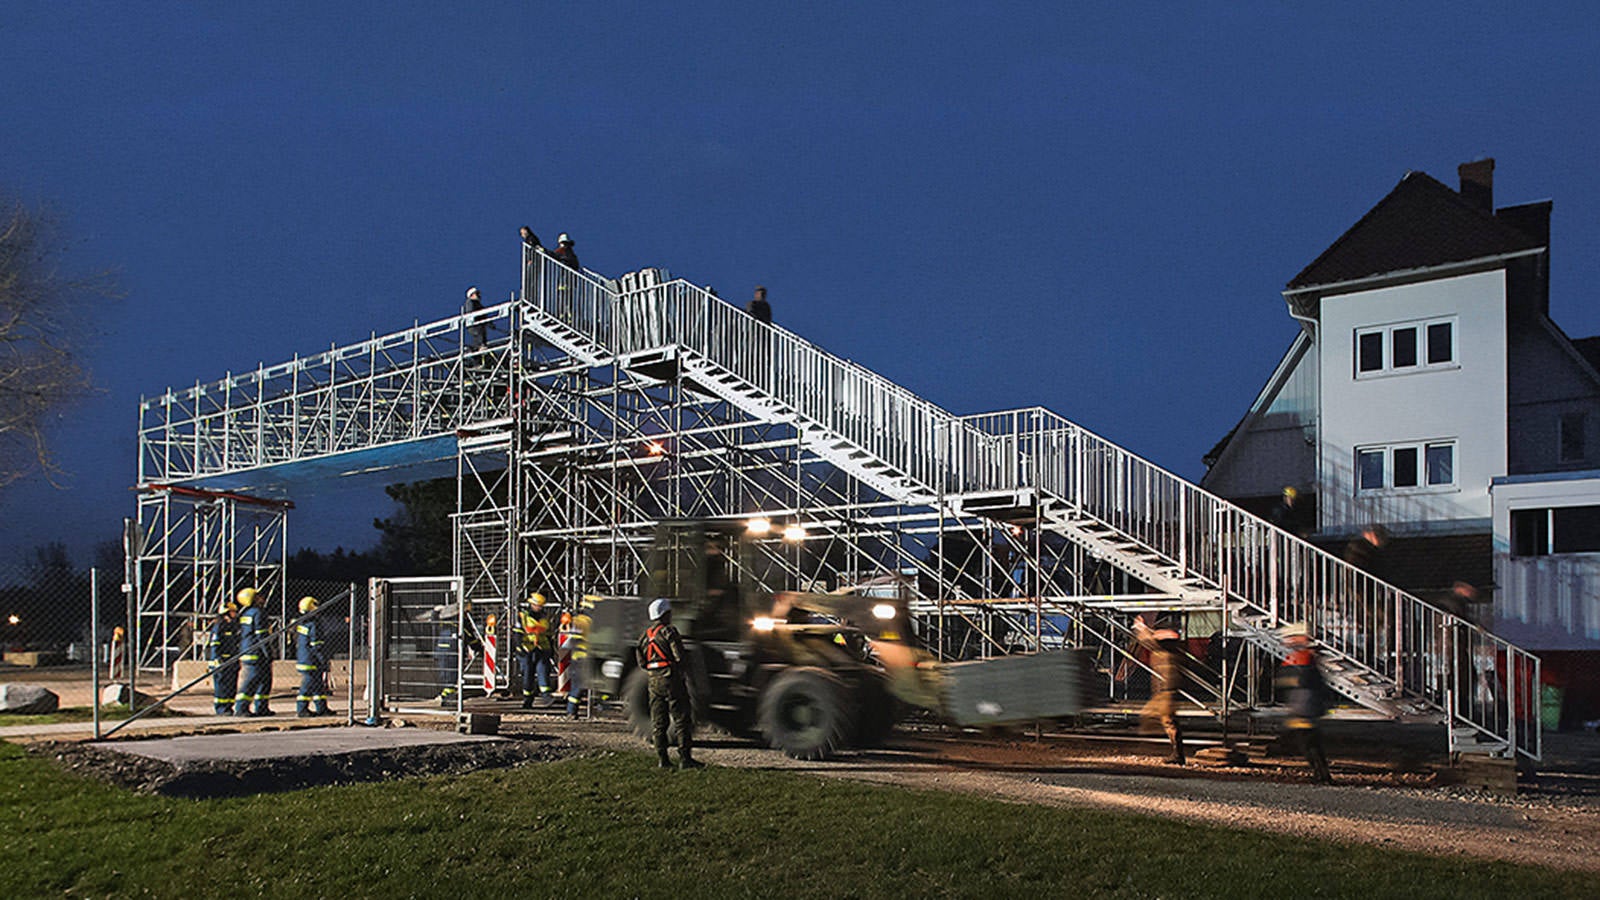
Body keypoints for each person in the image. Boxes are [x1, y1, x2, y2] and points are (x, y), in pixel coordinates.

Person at [636, 598, 701, 769]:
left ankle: (662, 760)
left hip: (653, 682)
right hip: (671, 680)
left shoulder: (644, 636)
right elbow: (679, 656)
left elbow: (642, 663)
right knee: (681, 719)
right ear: (665, 614)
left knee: (659, 722)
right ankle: (685, 759)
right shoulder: (669, 632)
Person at [1277, 624, 1333, 783]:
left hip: (1304, 709)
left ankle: (1322, 775)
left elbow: (1300, 681)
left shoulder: (1301, 658)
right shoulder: (1305, 657)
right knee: (1310, 744)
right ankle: (1322, 774)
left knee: (1309, 745)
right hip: (1305, 707)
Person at [1133, 615, 1186, 765]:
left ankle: (1175, 753)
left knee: (1166, 721)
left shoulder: (1165, 649)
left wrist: (1141, 629)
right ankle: (1168, 750)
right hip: (1162, 691)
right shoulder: (1166, 649)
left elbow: (1149, 641)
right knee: (1152, 717)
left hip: (1166, 690)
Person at [233, 587, 274, 717]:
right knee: (252, 681)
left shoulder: (245, 613)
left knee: (263, 680)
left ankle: (261, 707)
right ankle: (241, 708)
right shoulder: (258, 612)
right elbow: (262, 636)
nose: (262, 598)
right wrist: (268, 652)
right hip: (257, 651)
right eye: (258, 596)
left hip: (247, 649)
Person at [518, 592, 555, 708]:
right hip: (527, 649)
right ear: (531, 604)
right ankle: (528, 699)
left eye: (541, 606)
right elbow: (517, 634)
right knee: (527, 675)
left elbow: (548, 634)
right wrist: (519, 647)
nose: (539, 608)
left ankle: (546, 696)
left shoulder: (545, 618)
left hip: (542, 649)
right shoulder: (522, 616)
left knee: (543, 672)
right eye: (537, 605)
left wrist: (551, 649)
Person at [294, 596, 330, 717]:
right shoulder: (314, 624)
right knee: (307, 686)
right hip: (312, 660)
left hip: (303, 657)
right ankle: (301, 709)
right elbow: (317, 645)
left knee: (318, 686)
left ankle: (321, 707)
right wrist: (323, 660)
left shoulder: (303, 623)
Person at [206, 598, 240, 716]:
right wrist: (216, 659)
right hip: (221, 661)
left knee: (231, 686)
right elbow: (215, 644)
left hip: (231, 660)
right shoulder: (219, 626)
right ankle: (221, 709)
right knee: (222, 686)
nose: (235, 614)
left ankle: (229, 707)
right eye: (233, 612)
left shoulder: (233, 626)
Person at [564, 599, 595, 719]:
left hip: (579, 656)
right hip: (584, 657)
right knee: (579, 685)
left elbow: (570, 639)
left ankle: (572, 711)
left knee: (578, 684)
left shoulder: (578, 620)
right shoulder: (586, 621)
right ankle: (571, 711)